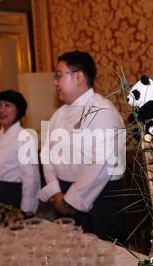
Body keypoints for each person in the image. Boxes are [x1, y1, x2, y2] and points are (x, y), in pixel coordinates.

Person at [38, 50, 127, 243]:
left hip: (100, 200)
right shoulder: (58, 114)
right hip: (63, 196)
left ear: (78, 76)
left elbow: (103, 162)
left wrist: (71, 200)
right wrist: (56, 193)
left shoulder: (102, 110)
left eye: (59, 75)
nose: (55, 82)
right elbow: (47, 155)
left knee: (107, 262)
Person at [0, 90, 40, 213]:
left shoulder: (24, 137)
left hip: (10, 198)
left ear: (18, 111)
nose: (2, 110)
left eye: (7, 105)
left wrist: (26, 212)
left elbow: (31, 179)